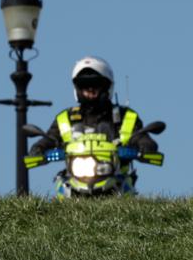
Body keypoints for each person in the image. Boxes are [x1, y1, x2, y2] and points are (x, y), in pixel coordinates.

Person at [28, 56, 159, 195]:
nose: (90, 89)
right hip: (74, 180)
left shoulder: (126, 117)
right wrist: (39, 148)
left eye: (95, 84)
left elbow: (141, 137)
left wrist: (145, 147)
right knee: (59, 194)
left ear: (107, 86)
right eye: (84, 85)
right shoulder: (65, 118)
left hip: (116, 180)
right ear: (77, 88)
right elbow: (50, 138)